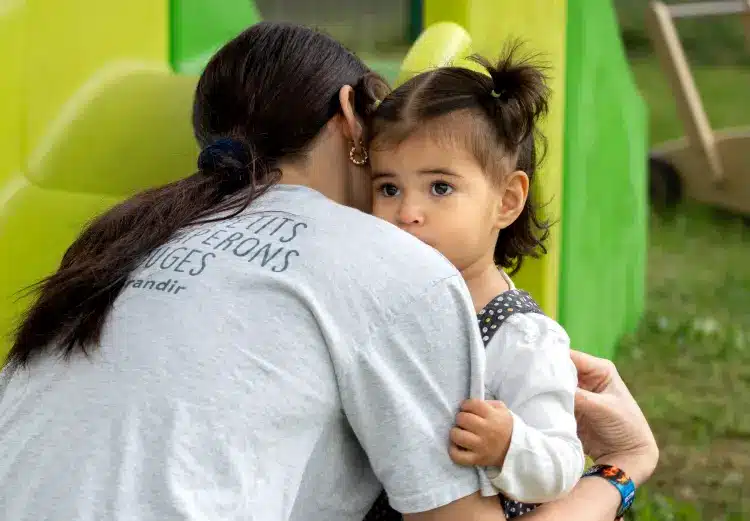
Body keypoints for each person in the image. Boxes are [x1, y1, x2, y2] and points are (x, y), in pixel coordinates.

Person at [0, 22, 657, 521]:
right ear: (351, 118)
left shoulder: (128, 235)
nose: (403, 209)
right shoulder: (388, 265)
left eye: (438, 186)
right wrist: (624, 468)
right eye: (391, 177)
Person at [364, 47, 583, 520]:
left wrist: (509, 444)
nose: (407, 213)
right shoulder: (382, 301)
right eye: (388, 188)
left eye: (440, 187)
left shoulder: (520, 337)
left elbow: (564, 461)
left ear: (507, 200)